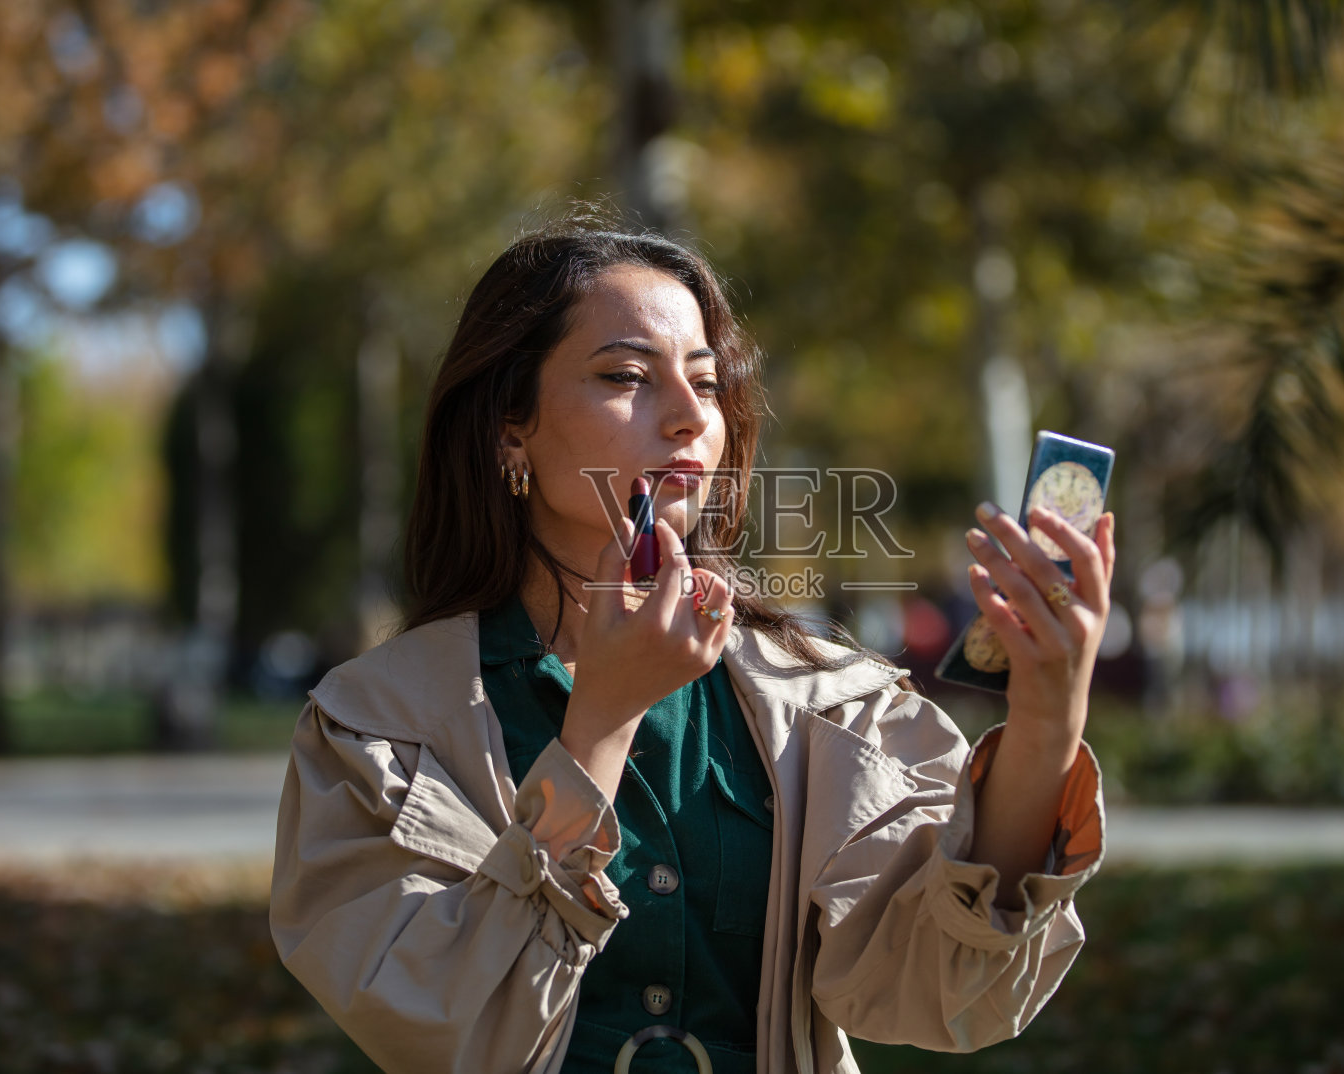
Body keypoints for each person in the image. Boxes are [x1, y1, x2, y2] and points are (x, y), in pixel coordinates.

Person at [269, 221, 1114, 1074]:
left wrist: (1047, 720)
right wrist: (598, 726)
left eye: (706, 384)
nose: (688, 417)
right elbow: (432, 1024)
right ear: (510, 428)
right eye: (626, 376)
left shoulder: (831, 704)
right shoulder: (378, 725)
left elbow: (947, 990)